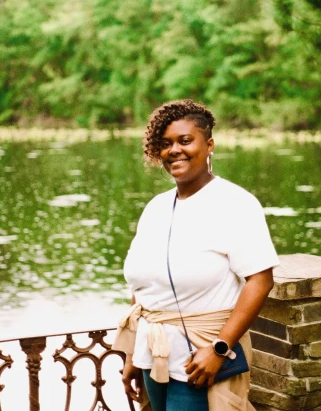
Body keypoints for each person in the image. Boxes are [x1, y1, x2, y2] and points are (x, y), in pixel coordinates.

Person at [113, 99, 279, 411]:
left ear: (209, 144)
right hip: (154, 355)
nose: (174, 150)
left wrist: (219, 349)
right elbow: (143, 285)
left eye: (185, 141)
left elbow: (261, 280)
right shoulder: (156, 208)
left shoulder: (235, 203)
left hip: (201, 358)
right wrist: (135, 352)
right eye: (165, 144)